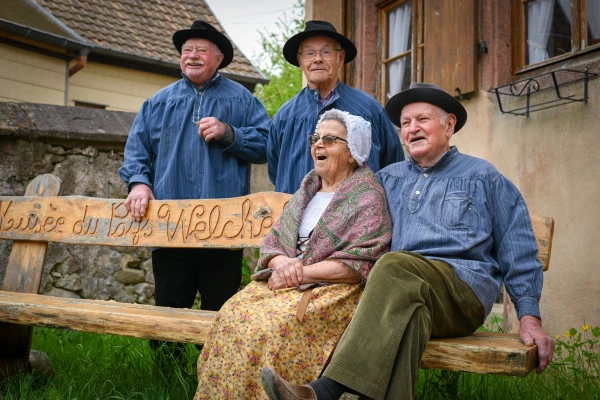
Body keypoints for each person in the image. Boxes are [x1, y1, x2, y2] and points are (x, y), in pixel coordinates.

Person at [260, 82, 556, 400]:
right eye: (405, 123)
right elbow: (341, 222)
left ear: (449, 125)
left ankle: (324, 391)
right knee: (411, 318)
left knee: (394, 264)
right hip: (400, 295)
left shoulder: (483, 177)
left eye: (422, 120)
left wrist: (529, 317)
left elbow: (519, 248)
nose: (412, 128)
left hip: (460, 296)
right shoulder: (386, 179)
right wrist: (294, 260)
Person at [194, 109, 392, 399]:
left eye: (330, 139)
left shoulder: (368, 196)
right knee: (231, 315)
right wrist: (283, 263)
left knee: (271, 329)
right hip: (286, 283)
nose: (318, 145)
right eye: (316, 138)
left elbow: (360, 262)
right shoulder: (307, 188)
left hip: (332, 292)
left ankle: (290, 393)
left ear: (353, 153)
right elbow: (273, 243)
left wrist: (299, 272)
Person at [118, 21, 270, 330]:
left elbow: (267, 145)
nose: (192, 56)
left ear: (218, 58)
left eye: (201, 50)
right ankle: (168, 375)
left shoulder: (241, 100)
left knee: (220, 308)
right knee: (169, 306)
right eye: (187, 50)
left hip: (224, 224)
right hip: (169, 221)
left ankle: (215, 374)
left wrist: (229, 133)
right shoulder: (157, 103)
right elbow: (136, 152)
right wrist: (138, 183)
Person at [268, 20, 404, 194]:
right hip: (297, 216)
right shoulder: (284, 116)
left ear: (340, 59)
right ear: (301, 62)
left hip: (358, 217)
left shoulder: (369, 110)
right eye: (309, 53)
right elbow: (275, 171)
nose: (317, 59)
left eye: (326, 52)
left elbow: (393, 166)